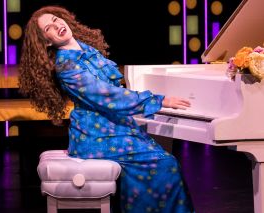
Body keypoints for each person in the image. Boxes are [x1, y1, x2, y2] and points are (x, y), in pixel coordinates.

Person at [19, 5, 194, 213]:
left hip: (113, 126)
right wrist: (157, 100)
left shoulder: (87, 50)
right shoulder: (66, 66)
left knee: (163, 161)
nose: (57, 26)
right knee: (165, 164)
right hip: (95, 135)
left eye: (56, 19)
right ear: (47, 41)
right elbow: (107, 96)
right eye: (49, 28)